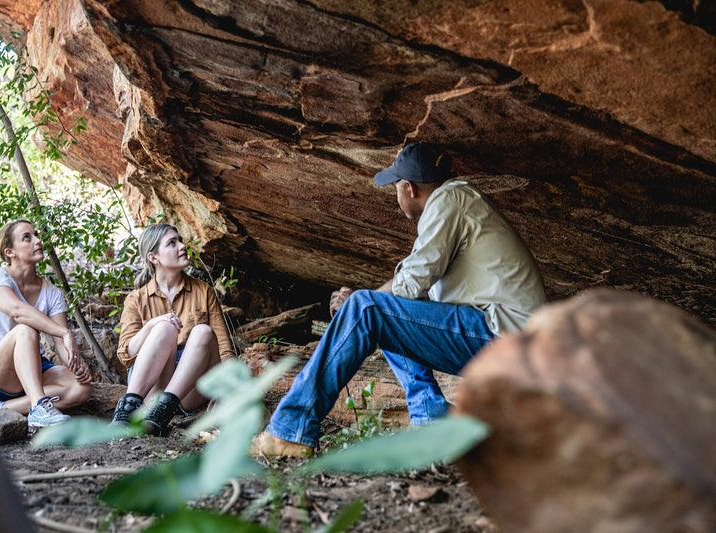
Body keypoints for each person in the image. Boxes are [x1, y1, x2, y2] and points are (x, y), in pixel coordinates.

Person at [250, 142, 548, 456]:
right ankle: (432, 422)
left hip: (506, 340)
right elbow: (409, 302)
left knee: (370, 310)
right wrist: (362, 304)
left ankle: (290, 431)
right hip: (506, 342)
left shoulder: (451, 198)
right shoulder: (457, 202)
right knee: (380, 314)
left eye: (396, 187)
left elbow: (410, 283)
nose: (397, 195)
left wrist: (361, 305)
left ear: (409, 188)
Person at [111, 223, 235, 435]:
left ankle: (164, 412)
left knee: (203, 331)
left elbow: (224, 347)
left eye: (180, 240)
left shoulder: (204, 291)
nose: (182, 246)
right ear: (154, 257)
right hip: (153, 386)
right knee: (164, 327)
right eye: (172, 243)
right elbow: (125, 355)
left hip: (192, 388)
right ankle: (127, 410)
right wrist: (151, 325)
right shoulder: (136, 299)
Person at [0, 219, 92, 427]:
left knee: (81, 387)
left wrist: (76, 364)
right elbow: (18, 312)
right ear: (10, 252)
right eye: (27, 237)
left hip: (30, 367)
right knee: (25, 329)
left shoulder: (51, 292)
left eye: (36, 235)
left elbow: (62, 345)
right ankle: (38, 406)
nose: (37, 240)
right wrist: (64, 333)